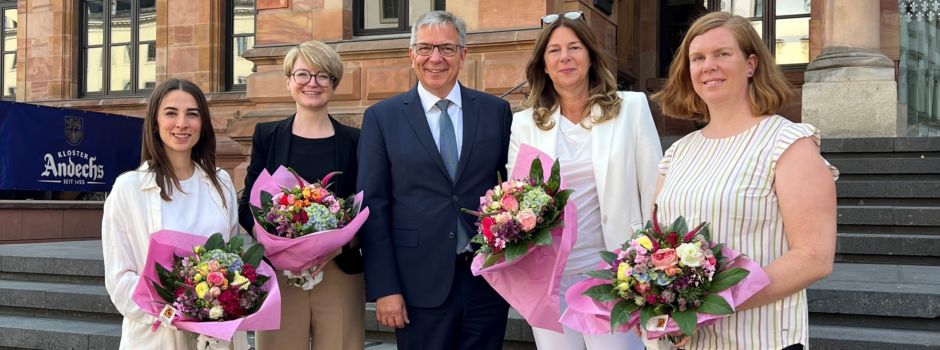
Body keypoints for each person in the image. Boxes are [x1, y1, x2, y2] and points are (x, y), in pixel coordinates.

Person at [650, 11, 838, 349]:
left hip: (760, 338)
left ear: (751, 64)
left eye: (722, 53)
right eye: (698, 58)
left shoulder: (788, 143)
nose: (708, 66)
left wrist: (703, 309)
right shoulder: (677, 153)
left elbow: (813, 256)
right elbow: (656, 244)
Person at [357, 10, 513, 350]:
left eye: (447, 48)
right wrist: (384, 288)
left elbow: (512, 190)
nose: (436, 58)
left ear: (463, 54)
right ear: (411, 54)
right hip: (416, 285)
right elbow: (374, 207)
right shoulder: (382, 118)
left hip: (485, 280)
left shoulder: (494, 112)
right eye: (425, 47)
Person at [506, 11, 657, 350]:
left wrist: (651, 264)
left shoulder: (630, 108)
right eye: (554, 50)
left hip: (615, 272)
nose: (565, 57)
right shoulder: (526, 123)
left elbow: (654, 190)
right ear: (543, 65)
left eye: (574, 47)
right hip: (551, 278)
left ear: (590, 55)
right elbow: (516, 199)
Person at [236, 40, 365, 350]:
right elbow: (247, 206)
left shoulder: (355, 140)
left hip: (338, 271)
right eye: (303, 74)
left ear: (334, 84)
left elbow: (366, 207)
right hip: (280, 274)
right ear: (289, 81)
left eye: (323, 75)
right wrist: (276, 245)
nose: (313, 83)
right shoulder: (267, 136)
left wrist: (333, 248)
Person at [102, 79, 247, 349]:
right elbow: (120, 280)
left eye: (192, 114)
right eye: (171, 113)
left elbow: (233, 260)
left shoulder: (222, 183)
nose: (182, 123)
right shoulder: (129, 188)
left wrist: (219, 304)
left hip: (217, 335)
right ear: (155, 123)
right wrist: (180, 312)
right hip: (157, 335)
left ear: (202, 125)